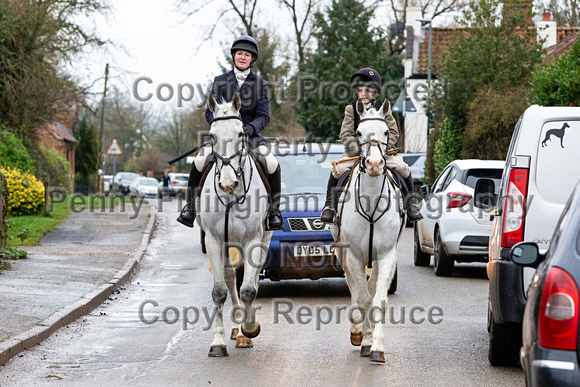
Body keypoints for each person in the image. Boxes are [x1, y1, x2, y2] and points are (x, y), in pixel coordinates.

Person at [177, 35, 283, 230]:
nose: (242, 57)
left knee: (272, 164)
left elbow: (264, 115)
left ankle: (273, 212)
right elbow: (210, 111)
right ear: (234, 56)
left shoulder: (260, 85)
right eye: (239, 54)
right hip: (221, 136)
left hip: (250, 136)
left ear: (252, 59)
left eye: (247, 55)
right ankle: (190, 208)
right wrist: (217, 126)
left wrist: (251, 128)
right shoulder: (220, 81)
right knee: (199, 161)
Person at [320, 67, 423, 224]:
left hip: (381, 153)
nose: (363, 94)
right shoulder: (351, 109)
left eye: (367, 90)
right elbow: (345, 135)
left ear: (375, 92)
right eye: (359, 90)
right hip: (355, 154)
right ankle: (329, 207)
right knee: (337, 171)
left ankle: (411, 205)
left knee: (403, 168)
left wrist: (381, 149)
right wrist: (360, 149)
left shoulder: (384, 109)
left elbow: (394, 133)